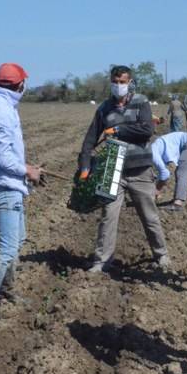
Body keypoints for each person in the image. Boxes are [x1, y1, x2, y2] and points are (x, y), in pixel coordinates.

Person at [77, 65, 170, 273]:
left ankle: (161, 255)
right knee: (108, 216)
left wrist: (119, 129)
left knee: (149, 215)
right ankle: (102, 261)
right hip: (113, 169)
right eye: (115, 82)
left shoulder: (142, 102)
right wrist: (85, 167)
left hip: (140, 169)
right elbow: (90, 140)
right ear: (111, 82)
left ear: (130, 83)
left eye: (123, 82)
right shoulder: (104, 109)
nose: (119, 86)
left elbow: (147, 130)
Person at [0, 63, 44, 322]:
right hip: (5, 188)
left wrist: (27, 168)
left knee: (19, 239)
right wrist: (28, 171)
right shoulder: (1, 113)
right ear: (19, 85)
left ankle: (7, 289)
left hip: (7, 184)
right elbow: (4, 159)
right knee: (6, 249)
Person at [152, 131, 187, 211]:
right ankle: (176, 199)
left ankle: (177, 203)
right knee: (179, 172)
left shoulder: (153, 154)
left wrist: (156, 190)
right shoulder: (152, 149)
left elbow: (165, 174)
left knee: (181, 173)